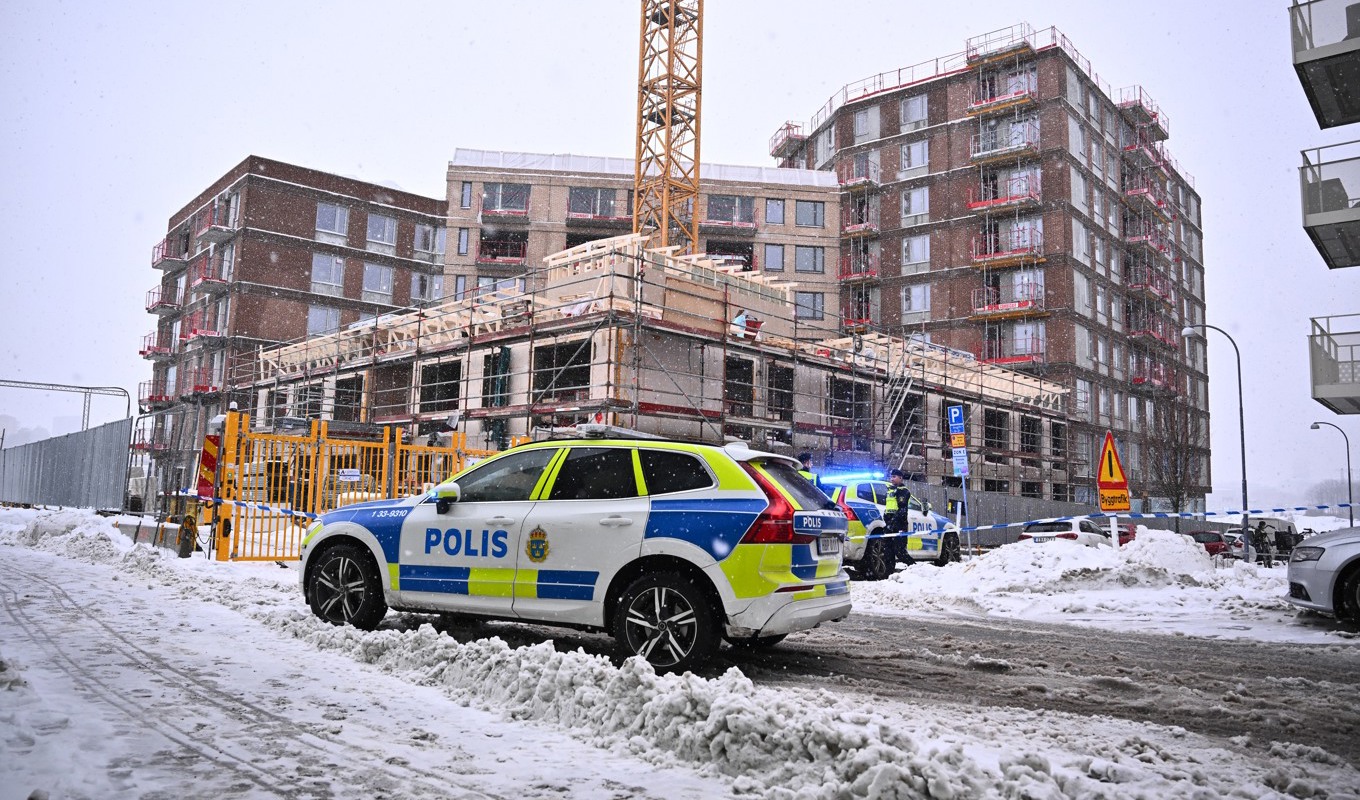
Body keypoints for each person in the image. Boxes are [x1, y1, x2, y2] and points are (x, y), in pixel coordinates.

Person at [883, 468, 914, 534]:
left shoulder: (903, 491)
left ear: (900, 478)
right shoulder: (890, 490)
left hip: (899, 523)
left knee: (898, 543)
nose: (892, 479)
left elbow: (902, 509)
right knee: (887, 543)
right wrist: (886, 517)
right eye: (891, 477)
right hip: (889, 522)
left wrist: (893, 522)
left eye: (894, 477)